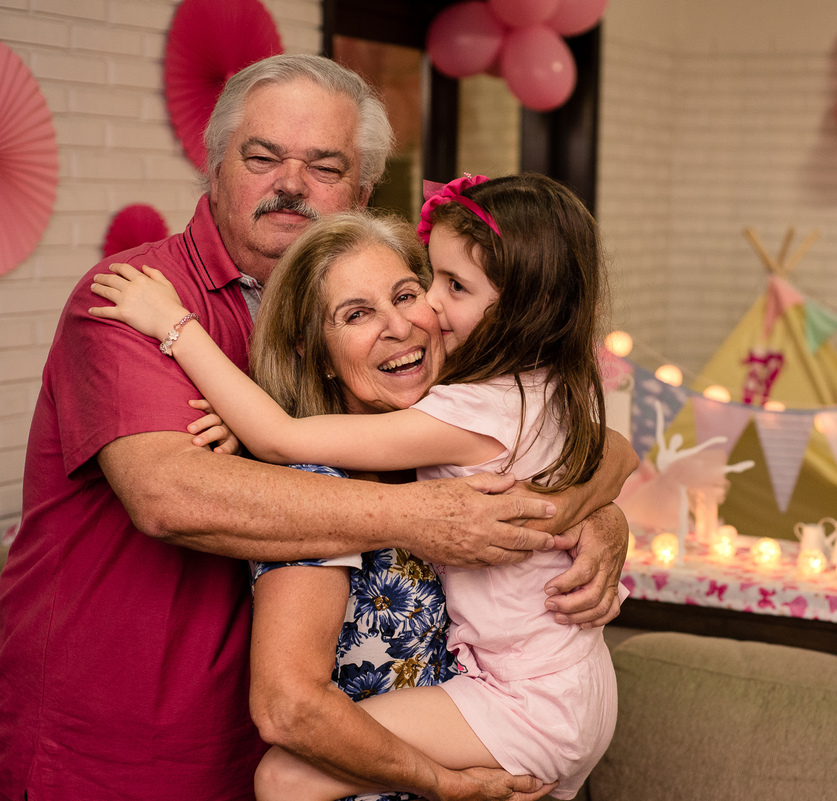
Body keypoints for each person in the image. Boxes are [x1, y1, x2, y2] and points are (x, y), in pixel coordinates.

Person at [0, 54, 635, 801]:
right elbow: (172, 494)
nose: (291, 183)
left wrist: (593, 507)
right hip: (127, 746)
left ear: (363, 191)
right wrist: (426, 518)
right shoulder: (133, 301)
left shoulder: (423, 392)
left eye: (324, 165)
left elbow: (560, 430)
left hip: (315, 750)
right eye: (262, 156)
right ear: (215, 167)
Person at [91, 174, 619, 800]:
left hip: (531, 714)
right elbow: (289, 706)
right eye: (357, 313)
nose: (405, 324)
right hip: (476, 747)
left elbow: (612, 449)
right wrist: (443, 784)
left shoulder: (463, 422)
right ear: (315, 350)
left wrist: (595, 515)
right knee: (284, 780)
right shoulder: (315, 491)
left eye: (410, 293)